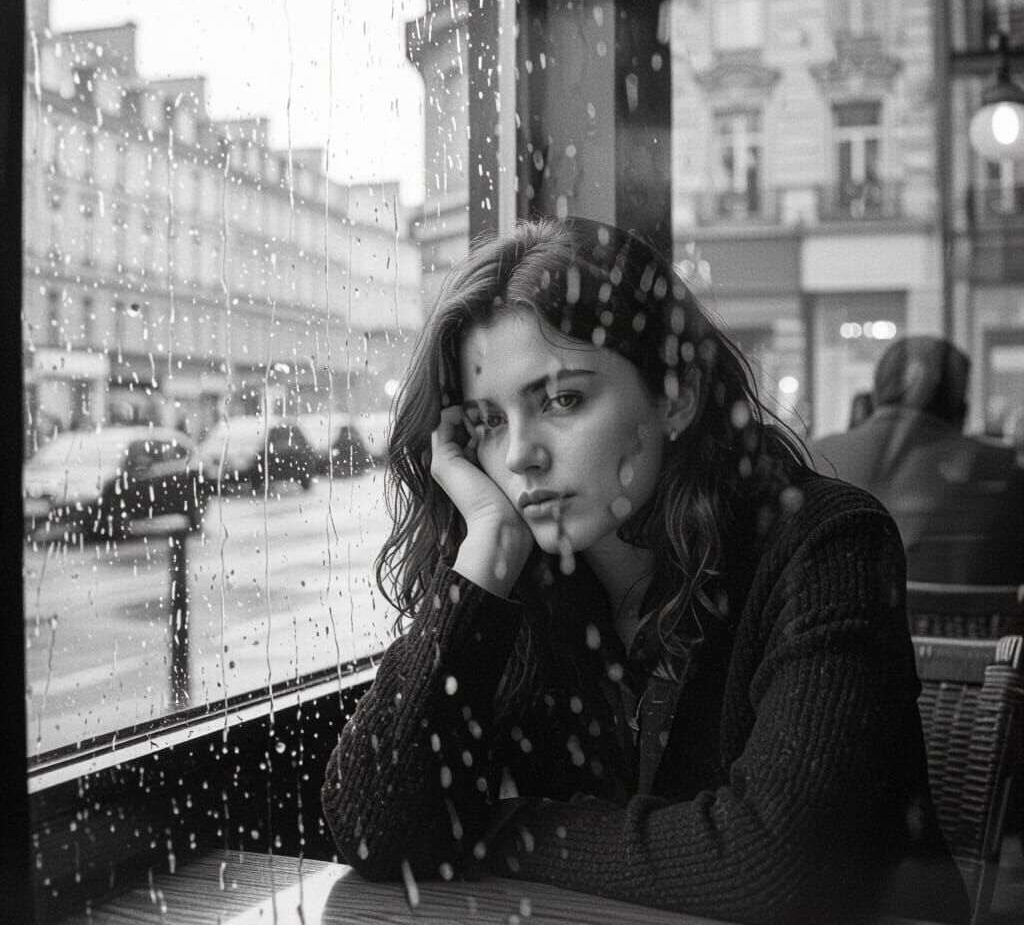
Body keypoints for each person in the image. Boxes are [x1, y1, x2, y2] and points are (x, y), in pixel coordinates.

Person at [322, 218, 968, 924]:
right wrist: (485, 556)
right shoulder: (531, 578)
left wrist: (494, 827)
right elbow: (371, 825)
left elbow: (774, 868)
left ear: (676, 397)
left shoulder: (827, 543)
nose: (519, 457)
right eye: (487, 422)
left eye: (562, 400)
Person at [813, 335, 1024, 588]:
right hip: (978, 626)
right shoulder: (1006, 471)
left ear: (873, 399)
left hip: (844, 623)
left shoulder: (815, 457)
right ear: (962, 412)